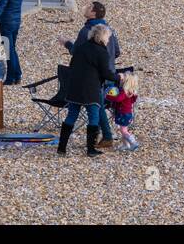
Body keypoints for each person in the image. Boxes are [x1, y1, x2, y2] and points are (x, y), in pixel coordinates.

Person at [56, 24, 120, 157]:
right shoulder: (102, 52)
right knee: (93, 117)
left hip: (75, 86)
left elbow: (72, 65)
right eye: (107, 37)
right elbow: (106, 74)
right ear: (102, 36)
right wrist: (119, 77)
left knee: (71, 115)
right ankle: (91, 149)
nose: (108, 40)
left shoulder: (81, 48)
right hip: (91, 88)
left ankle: (61, 148)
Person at [106, 72, 139, 151]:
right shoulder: (131, 92)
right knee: (124, 129)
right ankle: (125, 145)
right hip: (127, 113)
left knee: (123, 130)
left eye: (123, 80)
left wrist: (109, 97)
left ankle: (133, 142)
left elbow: (118, 99)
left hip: (123, 113)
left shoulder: (124, 92)